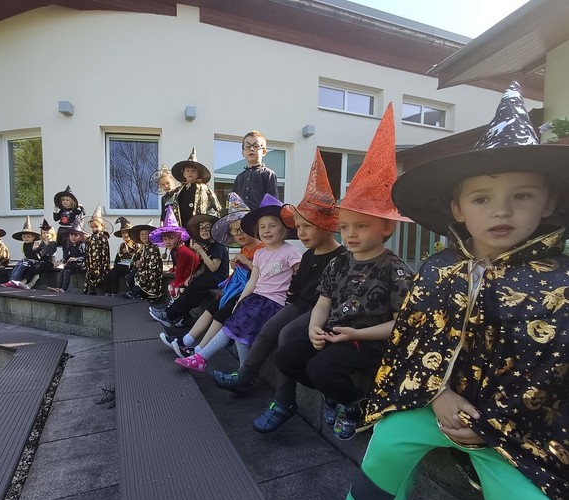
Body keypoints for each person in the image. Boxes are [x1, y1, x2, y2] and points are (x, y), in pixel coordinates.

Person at [339, 83, 569, 500]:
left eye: (522, 195)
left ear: (549, 202)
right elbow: (411, 338)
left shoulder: (560, 283)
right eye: (482, 198)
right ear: (458, 208)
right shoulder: (438, 268)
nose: (501, 211)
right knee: (385, 448)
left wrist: (488, 427)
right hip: (431, 401)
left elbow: (553, 370)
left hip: (513, 430)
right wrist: (438, 393)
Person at [255, 104, 413, 437]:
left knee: (322, 368)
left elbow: (402, 323)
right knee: (287, 357)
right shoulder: (339, 262)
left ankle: (352, 402)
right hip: (334, 333)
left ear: (386, 227)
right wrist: (315, 327)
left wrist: (356, 334)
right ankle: (334, 394)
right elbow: (323, 301)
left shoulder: (394, 269)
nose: (350, 235)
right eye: (345, 227)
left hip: (367, 342)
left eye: (361, 226)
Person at [212, 148, 346, 396]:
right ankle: (244, 376)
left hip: (321, 310)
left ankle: (283, 400)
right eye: (299, 227)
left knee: (285, 335)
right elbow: (297, 285)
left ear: (327, 226)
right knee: (267, 331)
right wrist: (288, 302)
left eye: (307, 227)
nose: (301, 233)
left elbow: (328, 297)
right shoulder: (309, 254)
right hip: (299, 305)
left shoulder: (340, 258)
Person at [175, 194, 302, 372]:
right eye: (262, 227)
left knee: (235, 329)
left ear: (283, 229)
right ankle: (235, 369)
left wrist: (294, 301)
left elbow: (301, 277)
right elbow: (253, 282)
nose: (267, 230)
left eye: (272, 226)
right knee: (233, 328)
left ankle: (205, 359)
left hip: (273, 303)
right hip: (255, 299)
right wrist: (241, 302)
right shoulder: (260, 254)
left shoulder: (290, 252)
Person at [159, 193, 263, 357]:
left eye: (242, 229)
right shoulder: (243, 248)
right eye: (234, 231)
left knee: (220, 311)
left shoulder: (261, 249)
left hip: (250, 293)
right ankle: (186, 340)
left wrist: (244, 263)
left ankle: (198, 350)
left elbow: (259, 274)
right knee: (211, 306)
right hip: (236, 289)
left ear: (253, 227)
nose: (238, 234)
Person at [149, 213, 229, 328]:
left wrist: (200, 251)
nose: (204, 230)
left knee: (194, 288)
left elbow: (213, 268)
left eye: (208, 227)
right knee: (190, 287)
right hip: (208, 278)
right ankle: (178, 315)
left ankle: (169, 315)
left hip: (218, 279)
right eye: (201, 228)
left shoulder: (218, 246)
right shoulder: (208, 246)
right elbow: (203, 268)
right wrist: (193, 276)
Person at [149, 207, 198, 300]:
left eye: (171, 238)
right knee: (172, 287)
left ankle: (176, 305)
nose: (167, 242)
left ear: (178, 237)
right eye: (165, 239)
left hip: (192, 276)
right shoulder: (179, 249)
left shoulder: (182, 251)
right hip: (188, 274)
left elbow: (180, 270)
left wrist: (177, 284)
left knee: (173, 288)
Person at [168, 147, 221, 226]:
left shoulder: (204, 189)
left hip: (197, 225)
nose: (190, 173)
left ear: (198, 174)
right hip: (182, 224)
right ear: (184, 174)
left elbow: (214, 207)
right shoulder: (178, 191)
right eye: (188, 171)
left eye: (193, 171)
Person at [232, 130, 279, 210]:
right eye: (247, 146)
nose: (251, 149)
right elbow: (234, 202)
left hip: (260, 216)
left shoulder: (268, 174)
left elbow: (272, 202)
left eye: (256, 146)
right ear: (243, 152)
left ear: (263, 152)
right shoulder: (239, 177)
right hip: (241, 216)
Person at [124, 222, 163, 300]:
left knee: (142, 277)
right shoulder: (142, 247)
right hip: (142, 268)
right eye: (142, 234)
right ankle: (135, 293)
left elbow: (154, 263)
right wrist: (137, 263)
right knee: (130, 276)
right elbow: (136, 258)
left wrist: (143, 265)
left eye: (146, 234)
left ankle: (134, 293)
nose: (144, 236)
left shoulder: (153, 247)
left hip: (151, 270)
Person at [48, 216, 86, 293]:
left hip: (79, 265)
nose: (73, 237)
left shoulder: (82, 245)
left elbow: (85, 256)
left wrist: (76, 259)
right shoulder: (71, 245)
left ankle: (63, 289)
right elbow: (70, 255)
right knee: (63, 271)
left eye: (76, 235)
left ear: (81, 237)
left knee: (67, 272)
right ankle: (58, 288)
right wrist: (64, 260)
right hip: (72, 264)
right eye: (71, 235)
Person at [2, 215, 41, 289]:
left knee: (24, 265)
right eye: (24, 237)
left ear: (33, 237)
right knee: (18, 265)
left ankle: (15, 280)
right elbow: (25, 254)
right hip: (27, 260)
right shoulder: (24, 245)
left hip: (35, 262)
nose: (26, 238)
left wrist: (36, 251)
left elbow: (39, 255)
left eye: (28, 237)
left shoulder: (35, 244)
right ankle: (12, 280)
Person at [103, 217, 137, 295]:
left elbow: (137, 255)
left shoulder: (135, 244)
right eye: (123, 233)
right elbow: (118, 256)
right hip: (121, 264)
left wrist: (130, 253)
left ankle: (114, 292)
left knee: (115, 274)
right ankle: (107, 291)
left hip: (130, 265)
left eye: (127, 232)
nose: (125, 235)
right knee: (109, 273)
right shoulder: (122, 245)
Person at [21, 219, 58, 289]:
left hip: (50, 262)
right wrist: (33, 249)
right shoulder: (43, 242)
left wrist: (47, 245)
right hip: (42, 260)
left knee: (38, 269)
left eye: (47, 233)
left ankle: (30, 284)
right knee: (32, 267)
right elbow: (38, 250)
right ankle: (24, 281)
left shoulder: (53, 243)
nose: (45, 235)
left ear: (52, 234)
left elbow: (49, 252)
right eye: (44, 233)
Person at [84, 205, 111, 295]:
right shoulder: (92, 237)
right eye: (92, 227)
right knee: (91, 283)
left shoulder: (103, 237)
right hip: (91, 264)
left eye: (96, 226)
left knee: (99, 284)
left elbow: (104, 253)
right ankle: (91, 291)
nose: (94, 229)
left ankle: (100, 295)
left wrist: (89, 239)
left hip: (100, 264)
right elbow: (88, 250)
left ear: (102, 226)